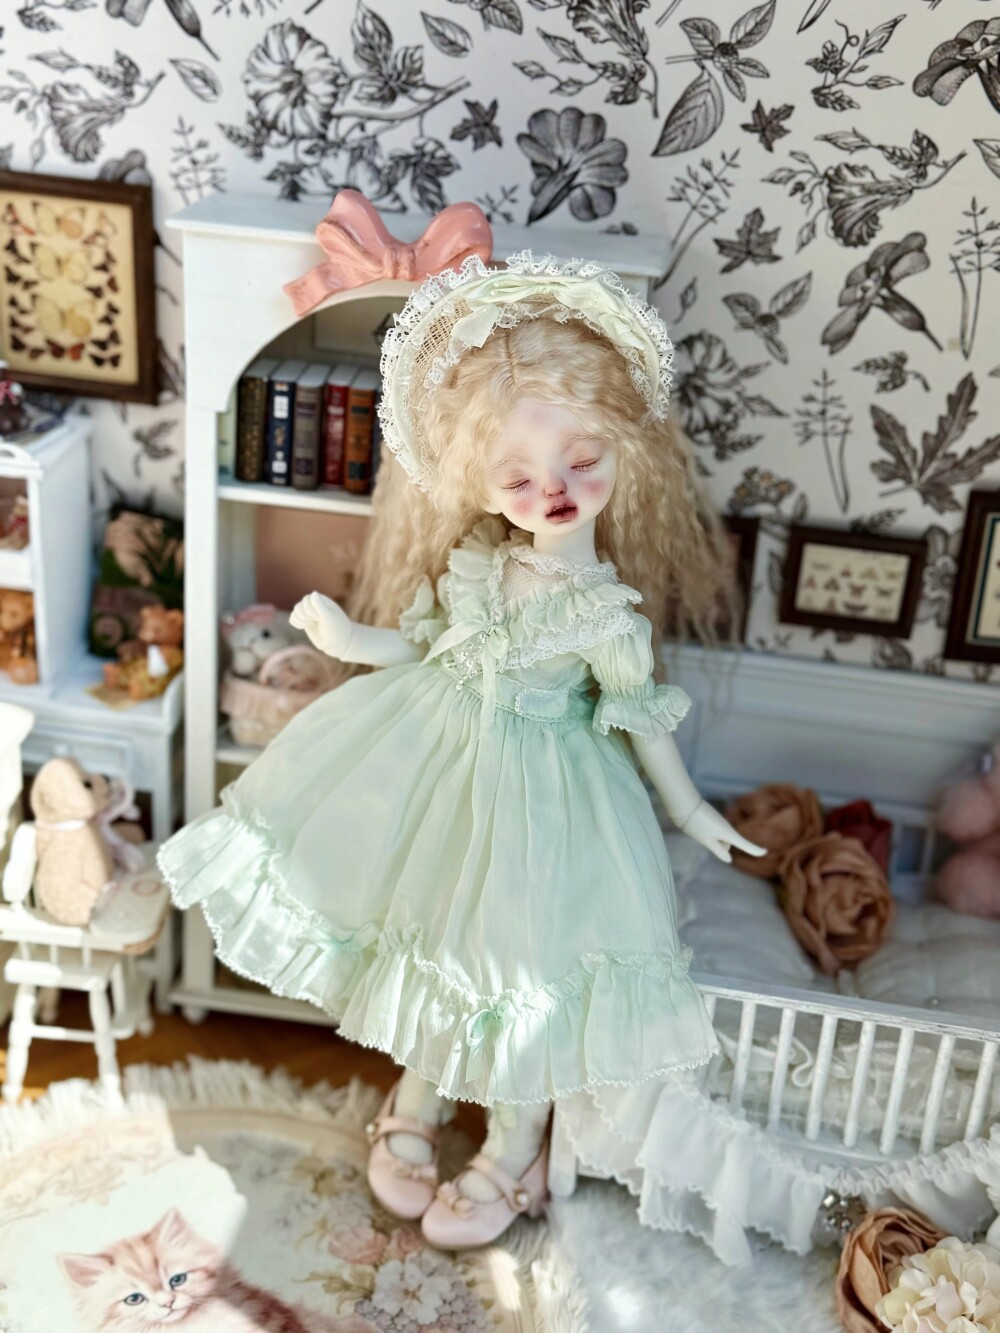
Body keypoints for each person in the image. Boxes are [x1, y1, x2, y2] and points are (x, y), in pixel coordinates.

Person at [158, 251, 764, 1249]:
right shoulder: (482, 567)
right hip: (444, 761)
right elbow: (432, 646)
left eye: (580, 459)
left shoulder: (606, 614)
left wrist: (691, 808)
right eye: (518, 477)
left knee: (521, 967)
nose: (553, 490)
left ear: (620, 442)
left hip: (549, 796)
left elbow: (640, 715)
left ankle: (512, 1141)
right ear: (480, 483)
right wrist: (351, 639)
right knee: (432, 942)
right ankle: (420, 1097)